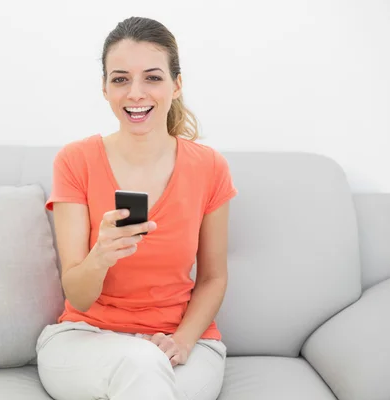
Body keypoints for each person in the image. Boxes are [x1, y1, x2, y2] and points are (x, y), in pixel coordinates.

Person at [36, 16, 238, 400]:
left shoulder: (210, 167)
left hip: (180, 344)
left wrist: (181, 342)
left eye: (153, 77)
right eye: (120, 79)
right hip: (86, 339)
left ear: (176, 85)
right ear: (105, 88)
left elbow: (213, 277)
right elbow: (77, 296)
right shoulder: (75, 161)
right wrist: (101, 256)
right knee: (140, 367)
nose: (136, 93)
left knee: (148, 372)